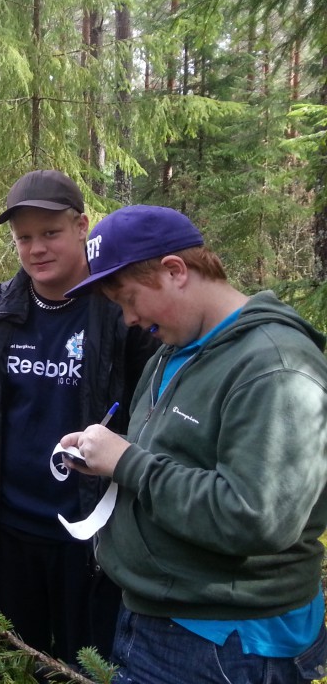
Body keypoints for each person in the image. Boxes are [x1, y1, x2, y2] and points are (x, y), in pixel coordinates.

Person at [59, 205, 327, 683]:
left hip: (230, 643)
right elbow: (180, 456)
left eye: (130, 299)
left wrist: (128, 462)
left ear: (175, 271)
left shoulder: (273, 366)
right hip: (159, 618)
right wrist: (109, 454)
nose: (128, 320)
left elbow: (256, 517)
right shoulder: (175, 351)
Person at [0, 170, 157, 665]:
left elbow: (153, 424)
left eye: (50, 233)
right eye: (24, 238)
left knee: (88, 667)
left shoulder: (123, 315)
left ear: (82, 226)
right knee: (13, 665)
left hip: (95, 541)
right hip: (7, 536)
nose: (37, 248)